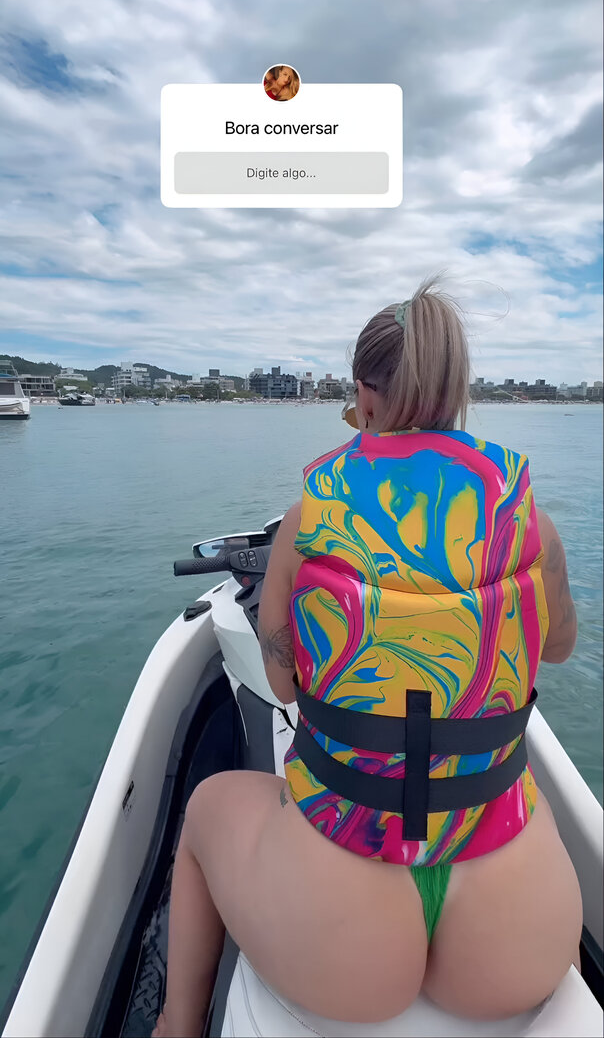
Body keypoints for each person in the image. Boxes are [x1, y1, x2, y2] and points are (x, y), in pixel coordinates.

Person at [153, 277, 581, 1037]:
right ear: (457, 390)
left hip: (340, 931)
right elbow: (557, 646)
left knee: (206, 807)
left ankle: (174, 1028)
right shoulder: (530, 522)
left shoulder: (308, 522)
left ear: (363, 394)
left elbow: (284, 682)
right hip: (515, 932)